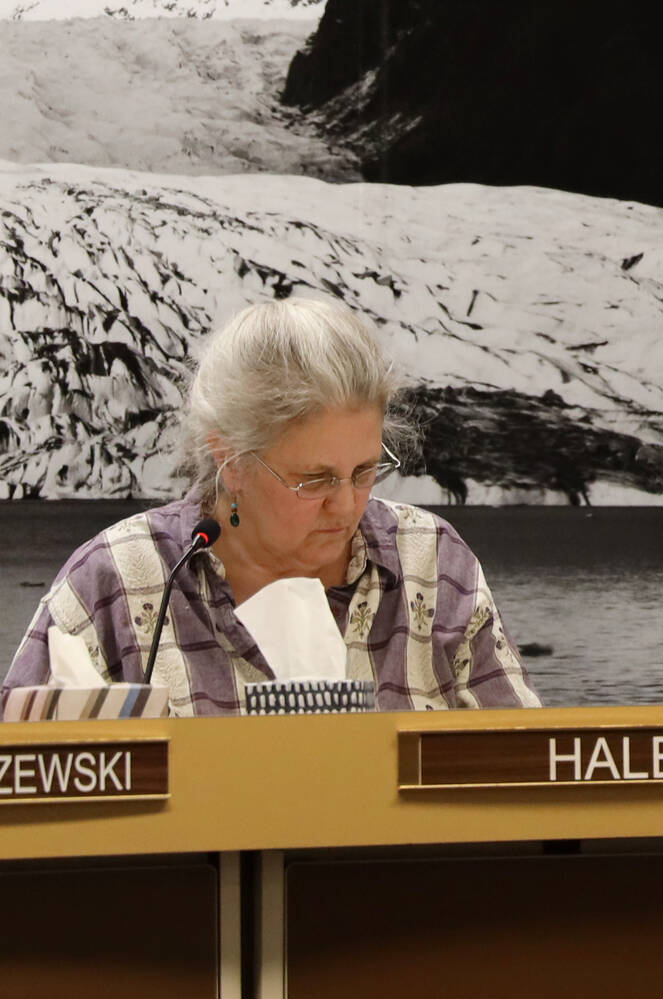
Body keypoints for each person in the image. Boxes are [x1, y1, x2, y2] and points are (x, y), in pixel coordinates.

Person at [3, 296, 541, 715]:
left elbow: (531, 771)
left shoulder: (432, 562)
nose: (347, 505)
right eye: (315, 480)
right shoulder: (116, 579)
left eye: (364, 471)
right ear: (230, 460)